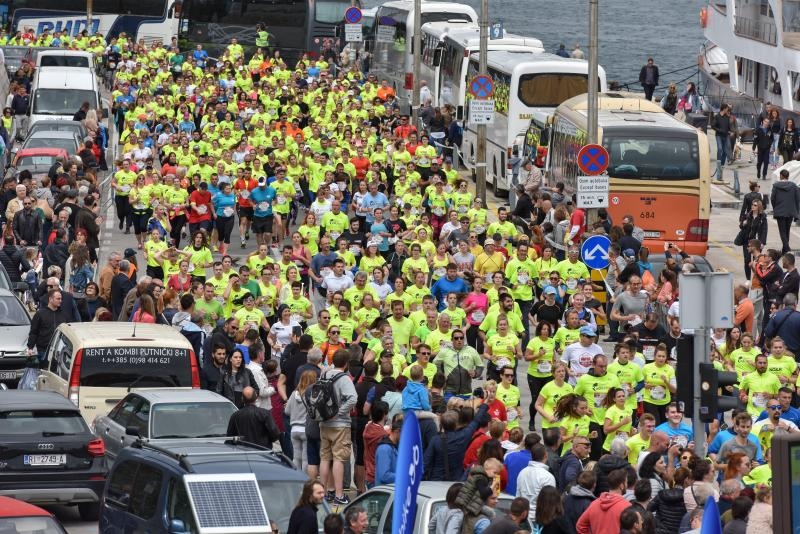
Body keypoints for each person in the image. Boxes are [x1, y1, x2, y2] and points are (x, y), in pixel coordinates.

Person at [318, 349, 357, 505]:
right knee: (339, 459)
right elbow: (353, 398)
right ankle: (339, 495)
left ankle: (324, 492)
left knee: (325, 458)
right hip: (340, 424)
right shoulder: (344, 378)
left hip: (324, 422)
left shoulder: (324, 375)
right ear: (346, 363)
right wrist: (339, 412)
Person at [575, 468, 634, 534]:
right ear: (621, 486)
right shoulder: (627, 506)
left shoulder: (594, 504)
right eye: (626, 482)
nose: (627, 485)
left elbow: (580, 526)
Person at [27, 288, 70, 365]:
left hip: (59, 351)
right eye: (58, 299)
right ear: (50, 299)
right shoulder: (40, 314)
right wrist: (30, 347)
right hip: (43, 350)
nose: (60, 301)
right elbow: (34, 332)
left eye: (61, 299)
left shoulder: (64, 315)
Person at [516, 443, 556, 525]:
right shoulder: (548, 476)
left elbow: (518, 495)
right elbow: (550, 503)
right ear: (546, 456)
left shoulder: (522, 472)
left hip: (523, 517)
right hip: (539, 520)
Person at [770, 168, 800, 254]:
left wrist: (776, 208)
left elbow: (772, 198)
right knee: (787, 230)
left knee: (782, 231)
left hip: (780, 211)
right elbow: (797, 199)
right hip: (790, 211)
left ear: (781, 176)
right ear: (788, 176)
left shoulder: (776, 186)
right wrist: (796, 211)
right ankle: (785, 249)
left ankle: (786, 248)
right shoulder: (794, 186)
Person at [374, 413, 402, 485]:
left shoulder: (394, 446)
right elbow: (384, 475)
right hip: (385, 490)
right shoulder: (384, 449)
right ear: (398, 431)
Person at [712, 104, 735, 168]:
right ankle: (718, 163)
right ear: (724, 109)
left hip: (726, 135)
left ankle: (722, 164)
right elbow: (713, 126)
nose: (728, 110)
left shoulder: (727, 117)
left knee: (725, 151)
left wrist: (731, 132)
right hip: (719, 135)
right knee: (720, 148)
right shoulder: (717, 116)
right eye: (727, 108)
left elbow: (728, 127)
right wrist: (720, 130)